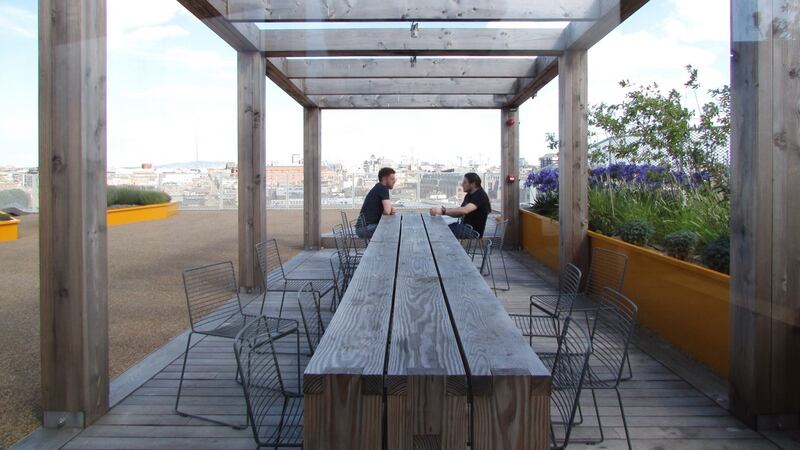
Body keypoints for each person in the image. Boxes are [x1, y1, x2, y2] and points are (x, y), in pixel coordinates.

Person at [429, 172, 491, 238]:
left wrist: (443, 211)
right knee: (440, 228)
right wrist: (442, 212)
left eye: (465, 182)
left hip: (473, 232)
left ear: (473, 184)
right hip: (464, 228)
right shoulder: (469, 195)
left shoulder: (480, 196)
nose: (462, 184)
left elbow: (465, 210)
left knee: (440, 233)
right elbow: (459, 213)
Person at [356, 167, 397, 238]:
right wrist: (389, 210)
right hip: (365, 229)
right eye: (392, 179)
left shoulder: (378, 187)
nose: (394, 181)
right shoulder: (382, 188)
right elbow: (387, 211)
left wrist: (389, 210)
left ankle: (384, 248)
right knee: (394, 229)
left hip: (363, 227)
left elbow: (387, 210)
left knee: (392, 228)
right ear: (384, 179)